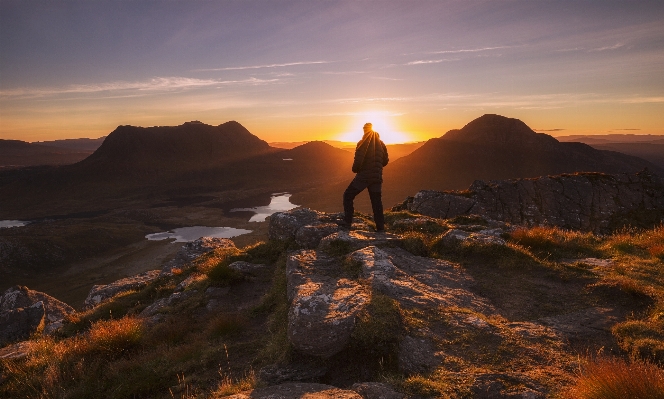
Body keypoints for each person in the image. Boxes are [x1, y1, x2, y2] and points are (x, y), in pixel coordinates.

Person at [341, 122, 389, 232]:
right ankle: (380, 229)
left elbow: (358, 160)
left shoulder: (362, 143)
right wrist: (376, 167)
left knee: (348, 195)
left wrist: (356, 170)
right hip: (377, 177)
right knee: (376, 202)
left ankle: (347, 222)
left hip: (364, 176)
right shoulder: (381, 144)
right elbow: (385, 161)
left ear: (365, 130)